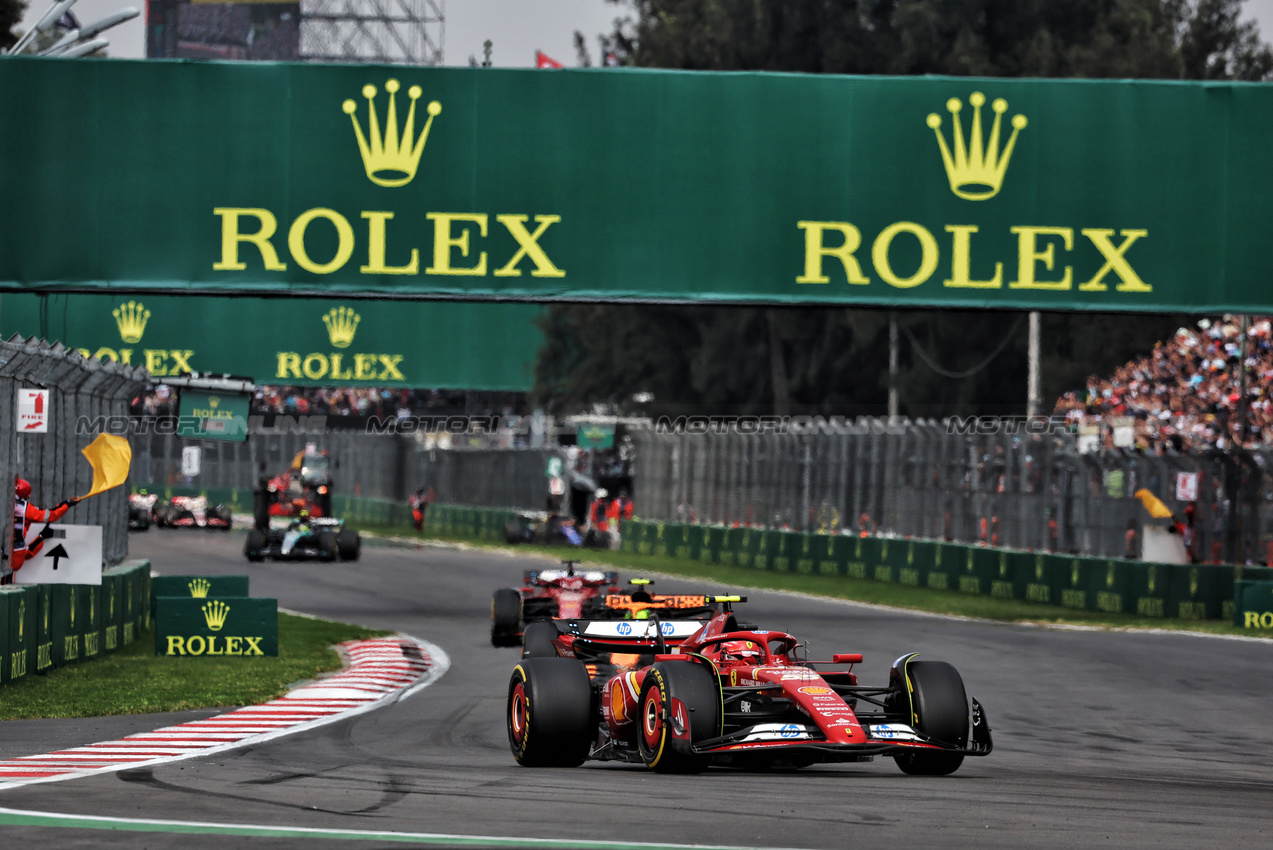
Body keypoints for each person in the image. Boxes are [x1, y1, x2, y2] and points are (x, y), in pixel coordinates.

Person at [8, 477, 79, 581]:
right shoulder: (23, 508)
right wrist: (67, 503)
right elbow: (49, 516)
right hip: (10, 564)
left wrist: (40, 538)